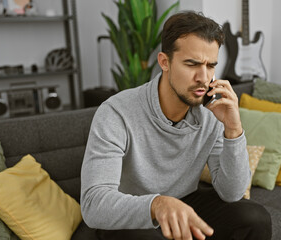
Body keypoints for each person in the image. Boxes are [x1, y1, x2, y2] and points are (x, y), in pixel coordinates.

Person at [81, 11, 271, 240]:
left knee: (254, 218)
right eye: (192, 64)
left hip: (184, 202)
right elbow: (93, 204)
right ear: (165, 62)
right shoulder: (116, 113)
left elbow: (232, 193)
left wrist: (233, 129)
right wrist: (157, 205)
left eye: (211, 66)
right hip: (131, 214)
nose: (203, 77)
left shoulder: (212, 112)